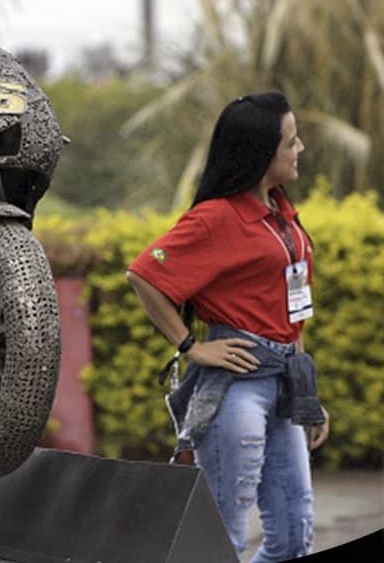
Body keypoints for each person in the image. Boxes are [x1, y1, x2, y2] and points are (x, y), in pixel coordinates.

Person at [126, 91, 330, 562]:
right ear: (261, 154)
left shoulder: (282, 213)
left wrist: (307, 395)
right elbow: (144, 275)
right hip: (237, 387)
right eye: (291, 142)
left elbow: (292, 312)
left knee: (293, 538)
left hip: (284, 383)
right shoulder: (217, 218)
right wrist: (191, 346)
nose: (300, 148)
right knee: (223, 540)